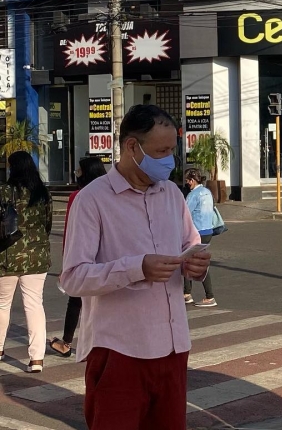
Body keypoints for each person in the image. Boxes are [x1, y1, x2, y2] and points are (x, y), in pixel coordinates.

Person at [61, 104, 211, 430]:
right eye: (161, 151)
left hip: (172, 348)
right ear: (132, 146)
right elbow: (72, 278)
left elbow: (190, 243)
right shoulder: (93, 200)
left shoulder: (171, 194)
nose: (170, 160)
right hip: (119, 351)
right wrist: (137, 268)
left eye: (172, 150)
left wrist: (195, 264)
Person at [0, 150, 52, 373]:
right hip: (37, 256)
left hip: (7, 254)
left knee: (2, 305)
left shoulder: (4, 191)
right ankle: (37, 359)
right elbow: (47, 223)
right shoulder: (42, 193)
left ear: (13, 168)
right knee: (34, 304)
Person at [50, 156, 107, 358]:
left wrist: (67, 262)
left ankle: (66, 342)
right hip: (107, 258)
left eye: (79, 171)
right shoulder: (109, 193)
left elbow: (70, 232)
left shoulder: (78, 196)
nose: (76, 174)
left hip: (83, 256)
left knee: (75, 300)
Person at [183, 167, 217, 307]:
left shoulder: (194, 195)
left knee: (191, 262)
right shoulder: (207, 192)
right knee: (191, 261)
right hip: (208, 231)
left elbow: (184, 213)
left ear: (192, 180)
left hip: (196, 232)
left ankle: (209, 296)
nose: (187, 183)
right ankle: (186, 293)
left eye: (187, 181)